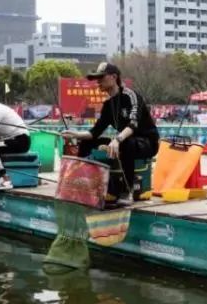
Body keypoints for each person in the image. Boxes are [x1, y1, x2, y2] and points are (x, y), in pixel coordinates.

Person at [61, 62, 160, 205]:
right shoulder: (108, 105)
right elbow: (94, 132)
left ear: (114, 77)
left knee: (126, 142)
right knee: (88, 142)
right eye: (97, 78)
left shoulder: (131, 96)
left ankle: (128, 191)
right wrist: (74, 134)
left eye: (101, 77)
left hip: (147, 142)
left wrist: (117, 140)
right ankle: (85, 184)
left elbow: (133, 124)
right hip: (124, 141)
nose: (98, 81)